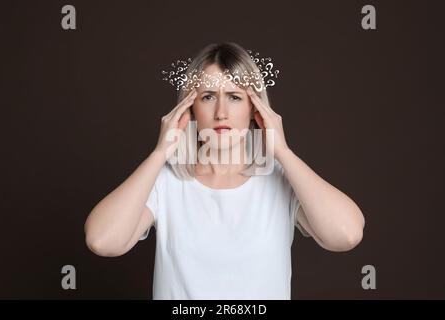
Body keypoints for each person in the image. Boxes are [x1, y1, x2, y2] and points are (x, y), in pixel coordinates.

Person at [84, 42, 365, 299]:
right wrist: (160, 153)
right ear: (189, 109)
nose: (221, 112)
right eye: (207, 97)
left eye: (234, 96)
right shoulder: (166, 181)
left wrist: (283, 152)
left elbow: (346, 234)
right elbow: (102, 241)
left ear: (255, 108)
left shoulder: (281, 178)